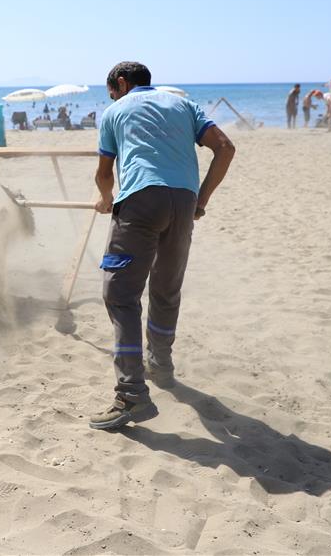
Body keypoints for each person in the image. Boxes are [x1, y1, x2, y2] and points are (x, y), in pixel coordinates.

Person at [89, 61, 234, 430]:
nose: (113, 96)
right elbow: (225, 148)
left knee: (120, 295)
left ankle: (132, 393)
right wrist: (200, 201)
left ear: (120, 84)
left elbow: (104, 174)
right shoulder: (184, 105)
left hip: (140, 201)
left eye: (112, 91)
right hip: (183, 202)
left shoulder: (114, 111)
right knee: (166, 289)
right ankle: (162, 365)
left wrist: (105, 199)